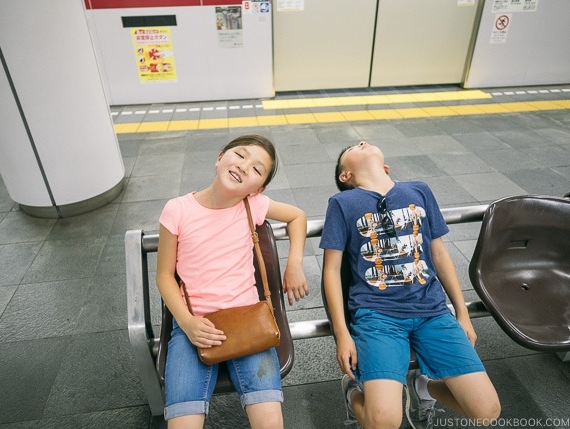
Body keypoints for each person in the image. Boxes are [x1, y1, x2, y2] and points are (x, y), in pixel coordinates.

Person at [320, 141, 500, 429]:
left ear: (386, 167)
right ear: (346, 176)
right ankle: (352, 391)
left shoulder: (419, 191)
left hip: (433, 312)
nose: (363, 141)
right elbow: (331, 270)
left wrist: (462, 313)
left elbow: (439, 254)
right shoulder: (342, 203)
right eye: (354, 147)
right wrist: (342, 333)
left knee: (487, 412)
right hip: (377, 315)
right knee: (384, 423)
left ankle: (424, 387)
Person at [156, 134, 309, 429]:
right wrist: (187, 323)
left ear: (258, 188)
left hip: (248, 321)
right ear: (219, 157)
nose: (243, 166)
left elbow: (297, 216)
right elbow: (164, 276)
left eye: (256, 169)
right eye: (240, 155)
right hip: (194, 324)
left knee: (270, 424)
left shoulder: (253, 205)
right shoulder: (178, 209)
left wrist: (295, 264)